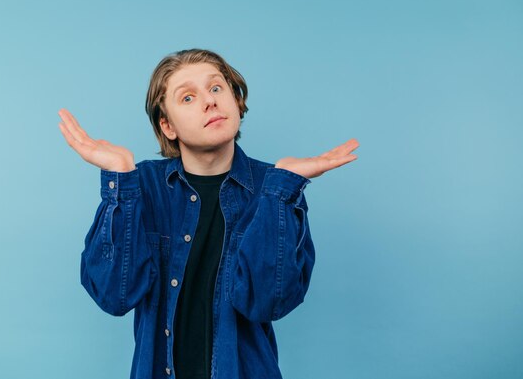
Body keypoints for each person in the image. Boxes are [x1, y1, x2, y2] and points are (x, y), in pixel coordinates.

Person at [58, 49, 359, 379]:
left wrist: (280, 189)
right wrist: (120, 177)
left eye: (216, 88)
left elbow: (268, 302)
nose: (209, 101)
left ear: (234, 99)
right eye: (188, 97)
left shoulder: (275, 188)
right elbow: (115, 295)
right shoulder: (140, 185)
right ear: (168, 125)